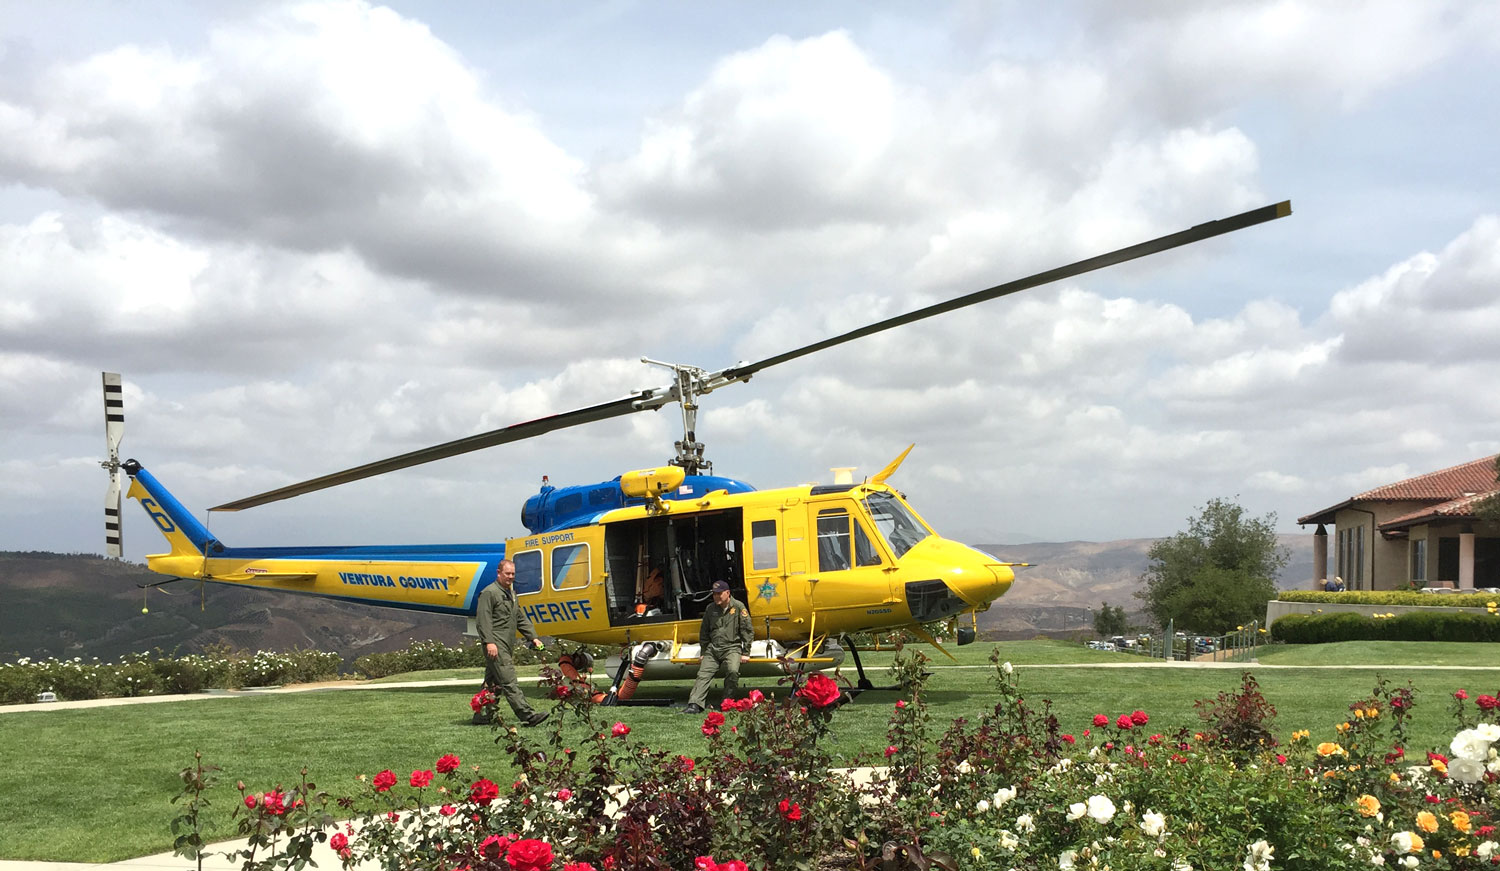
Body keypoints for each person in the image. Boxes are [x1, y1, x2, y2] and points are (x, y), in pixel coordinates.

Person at [475, 559, 548, 726]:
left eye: (513, 574)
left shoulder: (511, 594)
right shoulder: (489, 593)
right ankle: (528, 715)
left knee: (492, 684)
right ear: (498, 573)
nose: (510, 577)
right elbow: (483, 620)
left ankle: (481, 716)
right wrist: (489, 642)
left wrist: (533, 637)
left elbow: (519, 618)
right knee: (509, 680)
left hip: (507, 644)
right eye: (507, 573)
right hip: (496, 644)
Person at [684, 580, 753, 714]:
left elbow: (747, 630)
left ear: (728, 593)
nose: (716, 596)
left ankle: (727, 702)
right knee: (703, 674)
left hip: (732, 647)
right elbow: (704, 631)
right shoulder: (710, 609)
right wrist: (704, 651)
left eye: (719, 594)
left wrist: (746, 652)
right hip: (713, 648)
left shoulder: (738, 607)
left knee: (732, 671)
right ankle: (694, 704)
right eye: (714, 594)